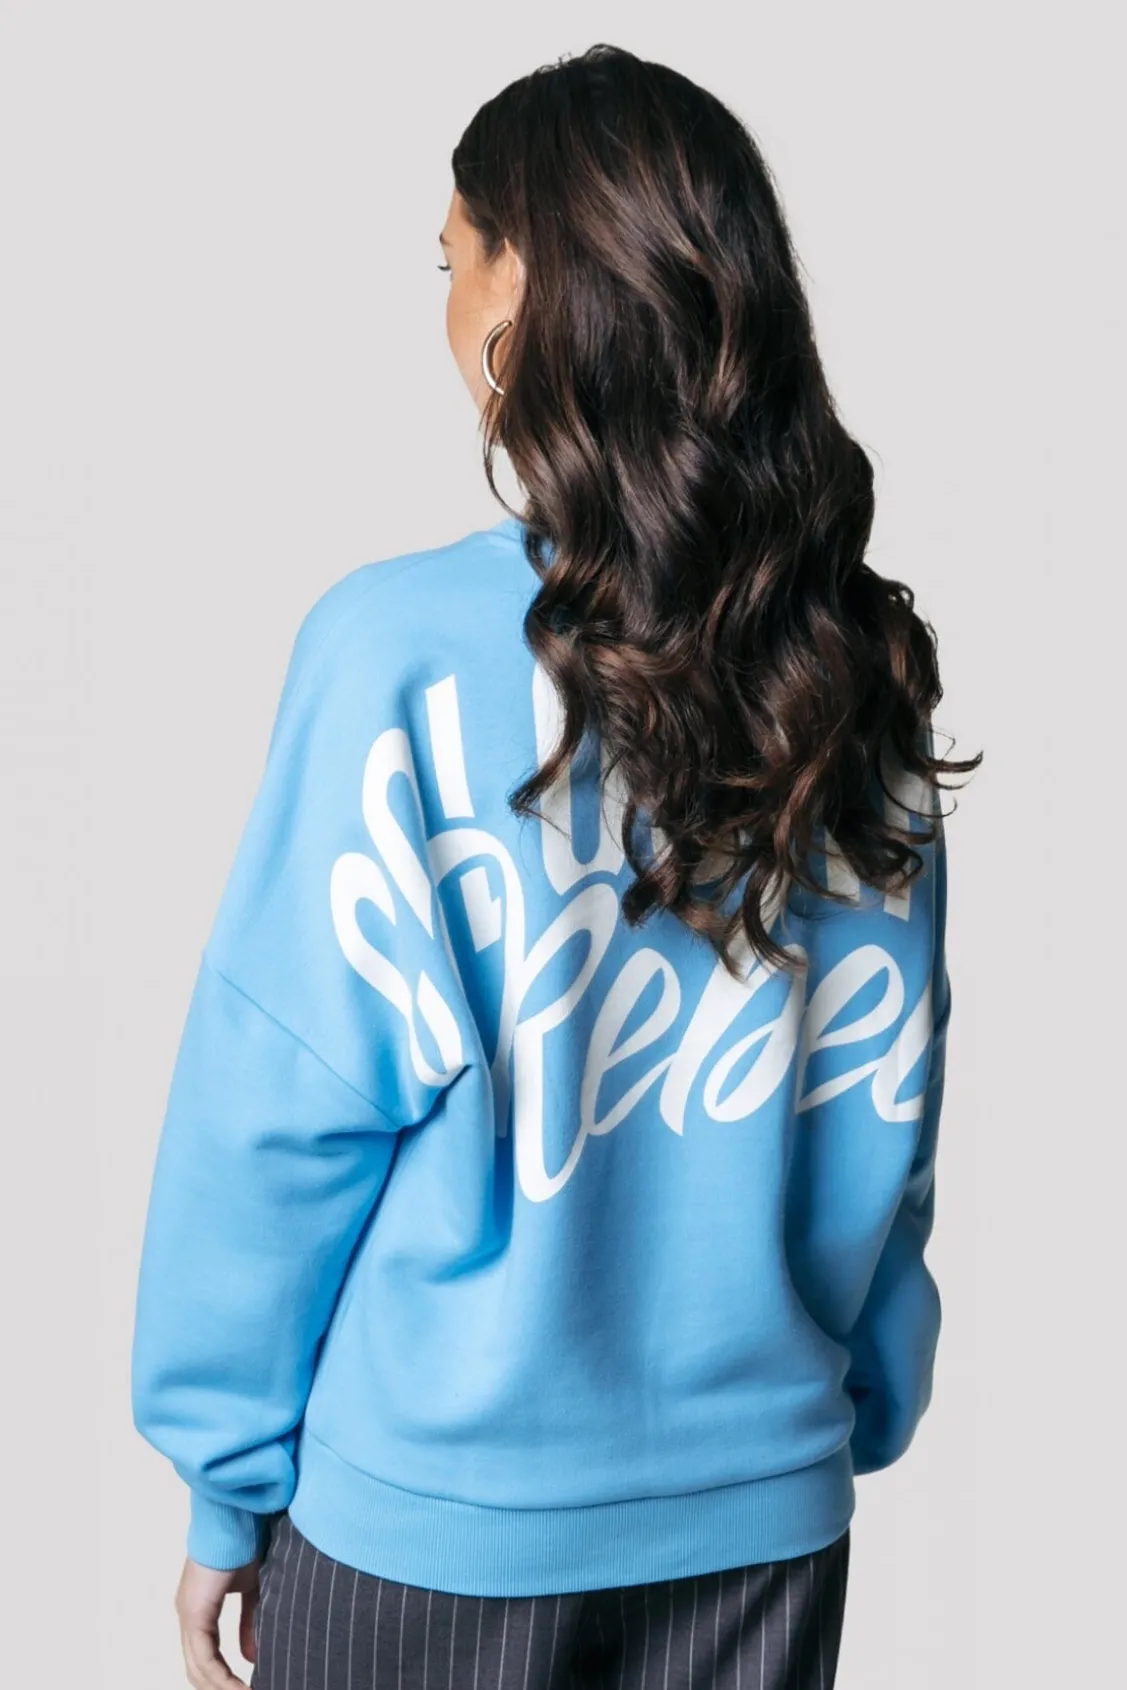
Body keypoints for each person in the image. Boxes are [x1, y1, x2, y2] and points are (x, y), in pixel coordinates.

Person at [130, 42, 979, 1690]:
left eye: (450, 257)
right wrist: (850, 1393)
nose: (443, 301)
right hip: (760, 1522)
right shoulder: (846, 661)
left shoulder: (393, 651)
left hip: (431, 1528)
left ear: (525, 286)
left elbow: (280, 1104)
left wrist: (225, 1479)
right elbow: (886, 1084)